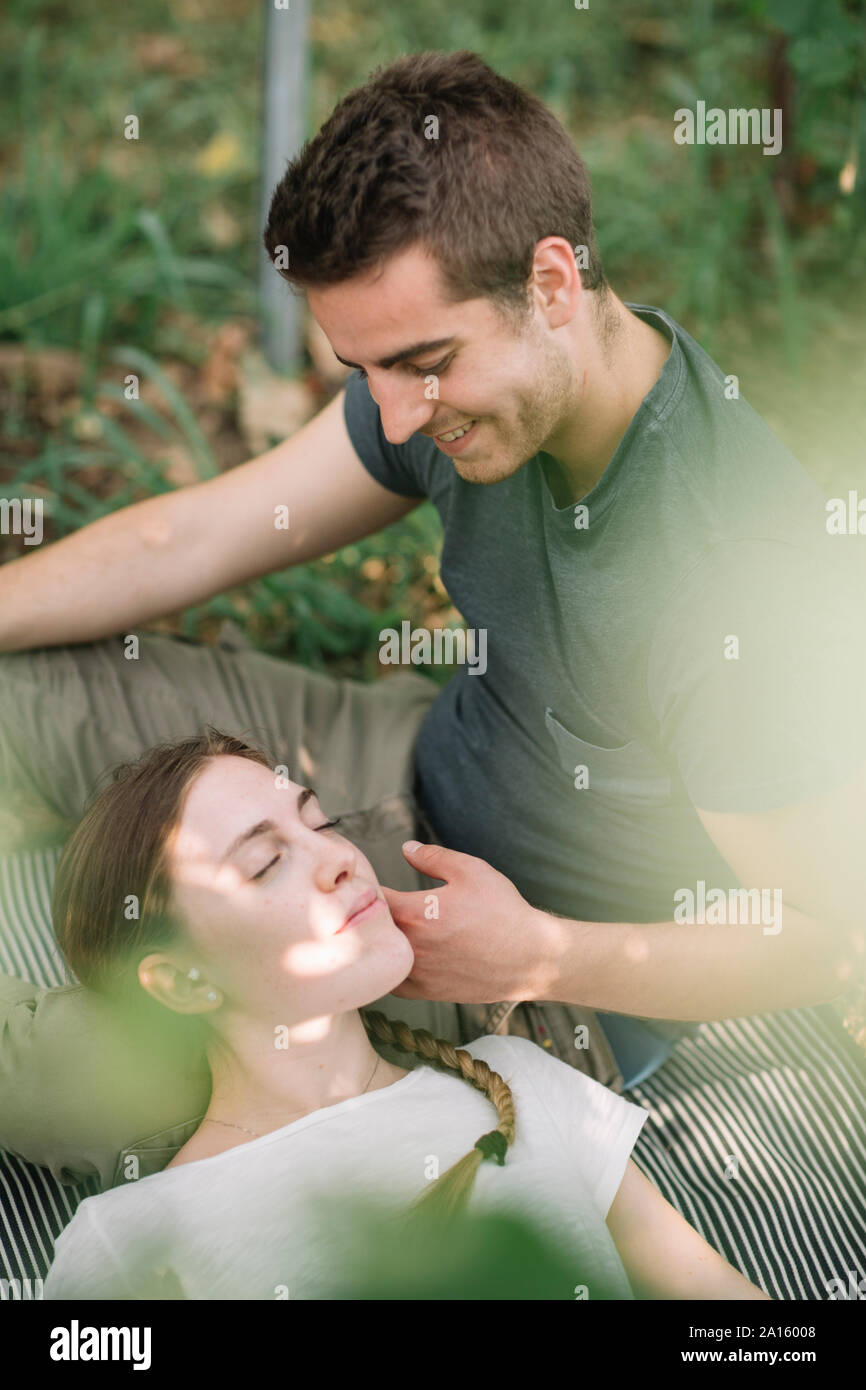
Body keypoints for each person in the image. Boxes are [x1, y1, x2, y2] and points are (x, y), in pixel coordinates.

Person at [2, 50, 865, 1300]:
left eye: (420, 366)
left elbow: (826, 945)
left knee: (74, 1070)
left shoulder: (724, 586)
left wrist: (537, 954)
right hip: (383, 765)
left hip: (505, 960)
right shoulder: (464, 380)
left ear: (552, 282)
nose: (397, 423)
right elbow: (184, 538)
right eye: (364, 373)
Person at [42, 729, 767, 1301]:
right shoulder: (127, 1240)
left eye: (322, 823)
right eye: (265, 864)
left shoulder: (516, 1079)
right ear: (180, 981)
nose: (339, 858)